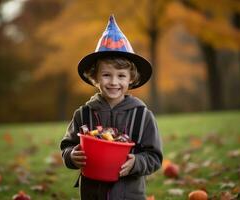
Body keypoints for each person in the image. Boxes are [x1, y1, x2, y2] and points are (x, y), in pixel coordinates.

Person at [60, 15, 163, 200]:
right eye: (107, 75)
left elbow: (154, 156)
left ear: (131, 78)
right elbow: (67, 146)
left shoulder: (142, 116)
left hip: (130, 194)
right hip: (92, 193)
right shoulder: (83, 114)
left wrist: (137, 163)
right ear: (95, 77)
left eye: (121, 76)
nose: (114, 82)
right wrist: (71, 156)